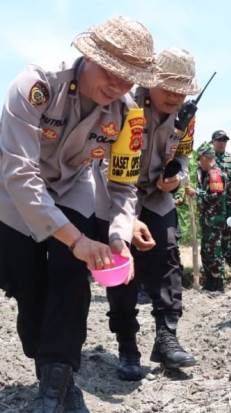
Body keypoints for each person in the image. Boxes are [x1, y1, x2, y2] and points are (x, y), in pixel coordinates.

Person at [0, 16, 155, 412]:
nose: (118, 86)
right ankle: (45, 365)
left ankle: (59, 382)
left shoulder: (127, 115)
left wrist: (117, 235)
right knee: (29, 287)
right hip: (17, 198)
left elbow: (122, 186)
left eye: (129, 79)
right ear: (88, 55)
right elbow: (20, 173)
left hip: (73, 188)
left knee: (71, 281)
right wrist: (77, 240)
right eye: (112, 72)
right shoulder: (36, 86)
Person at [103, 48, 199, 380]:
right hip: (117, 195)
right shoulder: (123, 104)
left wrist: (177, 177)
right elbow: (102, 159)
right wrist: (125, 217)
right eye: (167, 86)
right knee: (122, 267)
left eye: (181, 89)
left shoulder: (186, 116)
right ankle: (127, 346)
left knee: (168, 256)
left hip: (157, 196)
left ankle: (167, 339)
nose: (174, 96)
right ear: (150, 81)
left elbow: (184, 159)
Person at [196, 142, 228, 292]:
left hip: (214, 220)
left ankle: (218, 282)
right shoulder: (204, 173)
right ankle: (210, 281)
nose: (199, 163)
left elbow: (215, 197)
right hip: (207, 219)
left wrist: (198, 193)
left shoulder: (215, 174)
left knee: (214, 250)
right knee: (206, 250)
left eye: (200, 159)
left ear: (206, 158)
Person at [211, 129, 231, 271]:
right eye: (219, 140)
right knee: (213, 236)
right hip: (212, 206)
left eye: (224, 140)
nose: (222, 143)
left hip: (229, 205)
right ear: (213, 142)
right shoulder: (207, 159)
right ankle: (214, 264)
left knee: (228, 235)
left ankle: (229, 263)